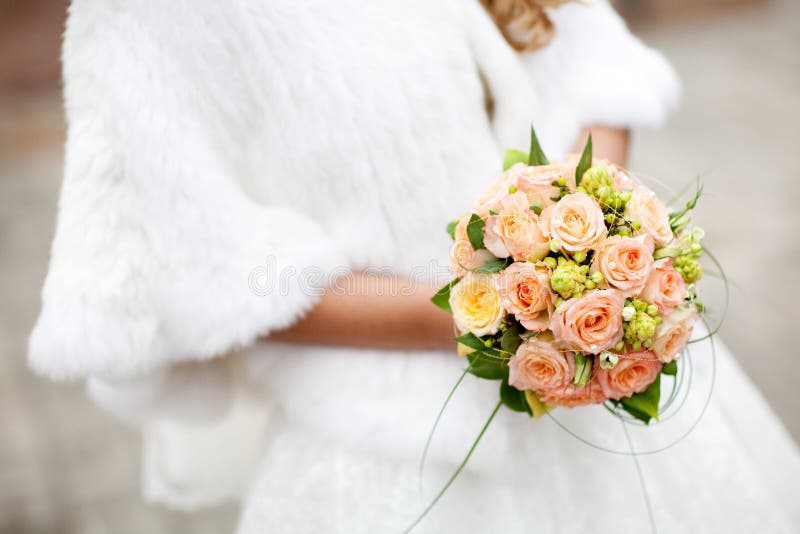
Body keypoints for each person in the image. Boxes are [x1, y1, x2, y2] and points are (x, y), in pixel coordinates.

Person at [29, 1, 799, 532]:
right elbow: (194, 270)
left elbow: (594, 59)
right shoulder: (147, 20)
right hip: (396, 449)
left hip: (605, 384)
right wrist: (486, 314)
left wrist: (587, 238)